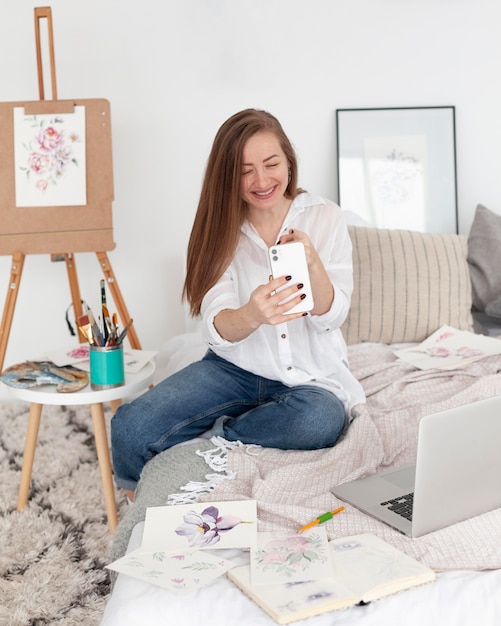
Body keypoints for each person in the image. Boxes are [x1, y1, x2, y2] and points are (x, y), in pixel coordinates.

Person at [111, 108, 365, 496]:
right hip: (234, 369)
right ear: (228, 175)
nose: (261, 180)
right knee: (131, 427)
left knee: (319, 420)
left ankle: (213, 441)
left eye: (271, 163)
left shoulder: (324, 216)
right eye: (245, 170)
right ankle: (138, 497)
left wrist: (313, 264)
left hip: (310, 375)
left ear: (289, 162)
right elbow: (216, 329)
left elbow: (332, 318)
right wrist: (252, 314)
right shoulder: (221, 228)